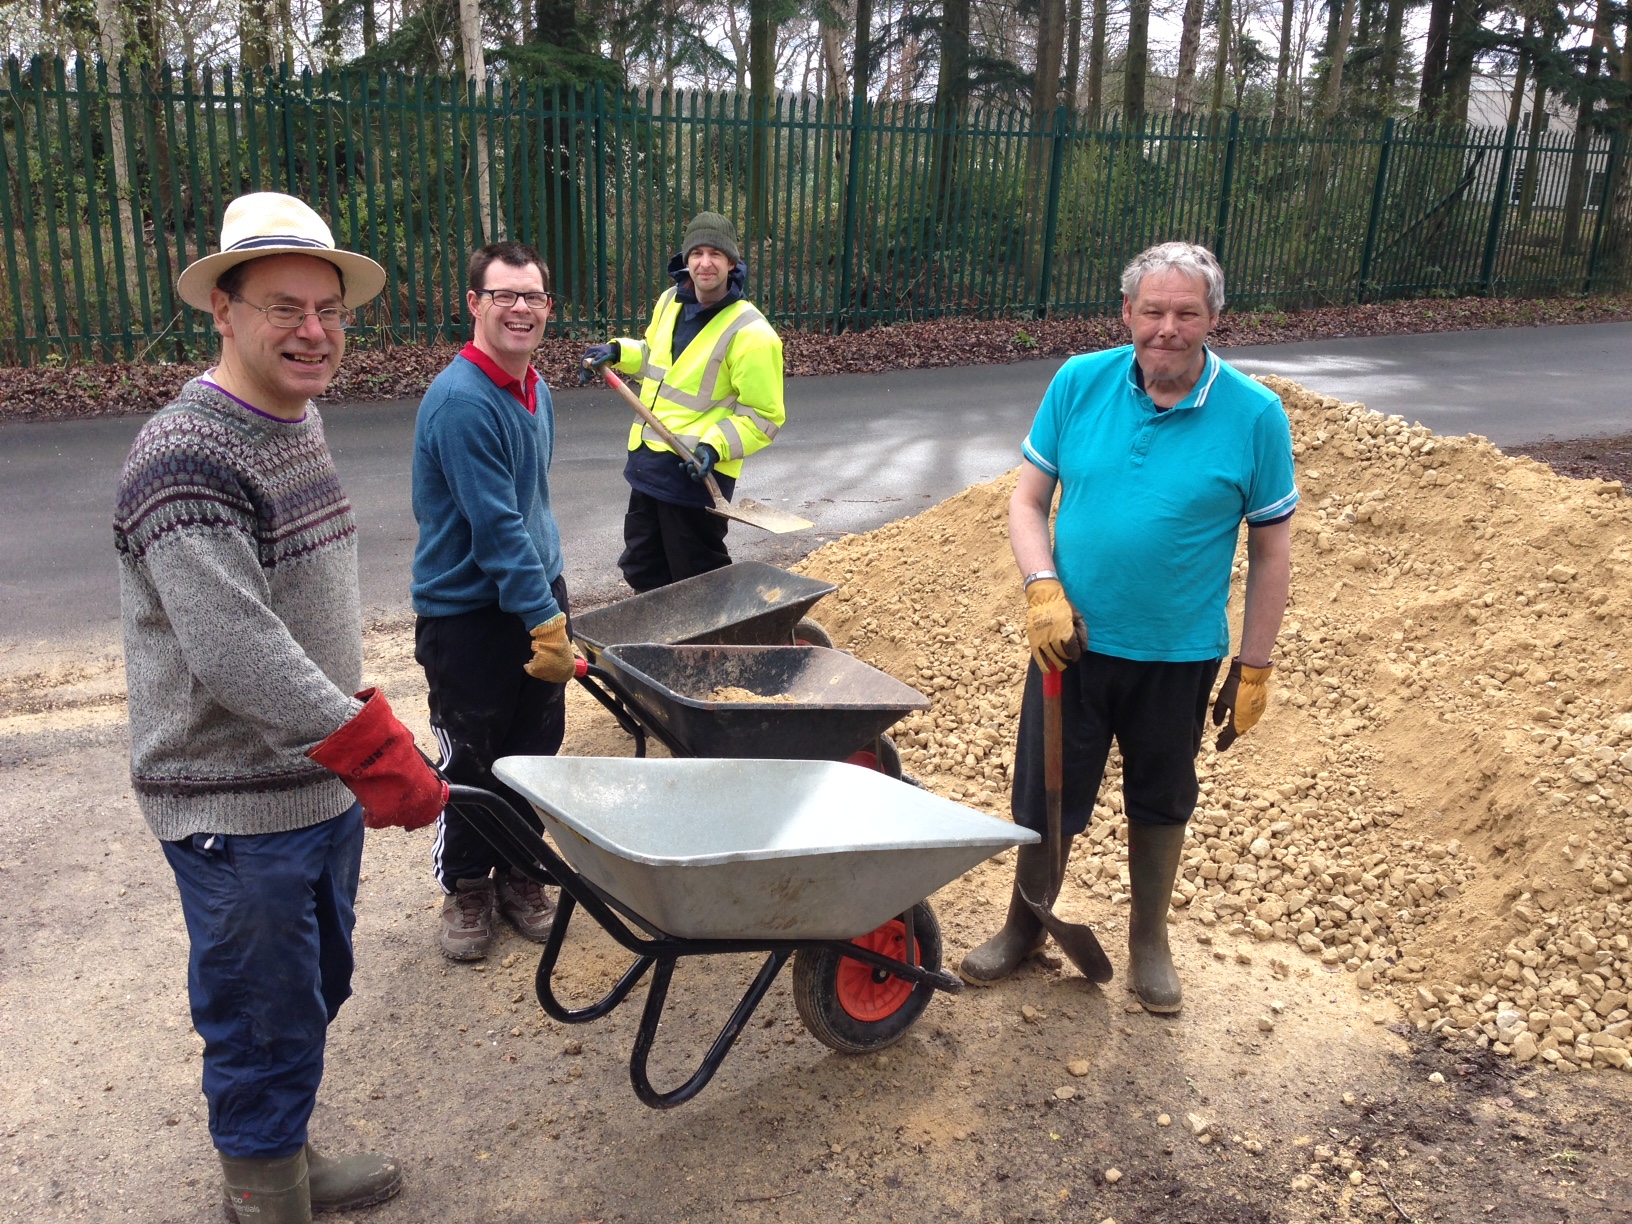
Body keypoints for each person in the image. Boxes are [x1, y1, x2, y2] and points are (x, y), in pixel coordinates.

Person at [116, 192, 447, 1223]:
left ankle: (282, 1157)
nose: (314, 332)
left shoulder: (294, 420)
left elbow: (303, 610)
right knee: (259, 1014)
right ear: (223, 307)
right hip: (232, 802)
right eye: (284, 308)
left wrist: (350, 746)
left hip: (315, 785)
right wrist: (374, 745)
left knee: (307, 994)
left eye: (330, 310)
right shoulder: (186, 455)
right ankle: (265, 1196)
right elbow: (235, 649)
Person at [959, 242, 1297, 1015]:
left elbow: (1273, 549)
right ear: (1128, 314)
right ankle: (1025, 925)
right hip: (1067, 645)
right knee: (1043, 798)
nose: (1167, 329)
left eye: (1186, 313)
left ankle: (1150, 941)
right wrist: (1042, 586)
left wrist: (1255, 666)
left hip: (1178, 656)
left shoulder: (1254, 415)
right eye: (1153, 311)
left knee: (1162, 795)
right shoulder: (1080, 382)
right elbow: (1026, 502)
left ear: (1214, 318)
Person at [410, 240, 576, 961]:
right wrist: (545, 622)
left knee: (533, 750)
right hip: (470, 617)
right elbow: (496, 528)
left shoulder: (534, 387)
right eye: (504, 295)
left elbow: (532, 510)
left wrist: (550, 601)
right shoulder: (461, 402)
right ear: (474, 304)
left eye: (532, 296)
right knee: (473, 760)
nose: (520, 308)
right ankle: (467, 887)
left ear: (547, 308)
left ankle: (518, 872)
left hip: (535, 596)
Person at [581, 211, 785, 592]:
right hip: (649, 463)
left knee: (696, 577)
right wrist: (615, 350)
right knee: (642, 566)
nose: (705, 263)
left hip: (696, 475)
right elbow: (655, 359)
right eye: (697, 253)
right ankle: (663, 644)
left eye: (715, 254)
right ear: (686, 259)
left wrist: (715, 445)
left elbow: (764, 416)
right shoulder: (671, 301)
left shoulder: (753, 334)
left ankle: (708, 648)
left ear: (731, 262)